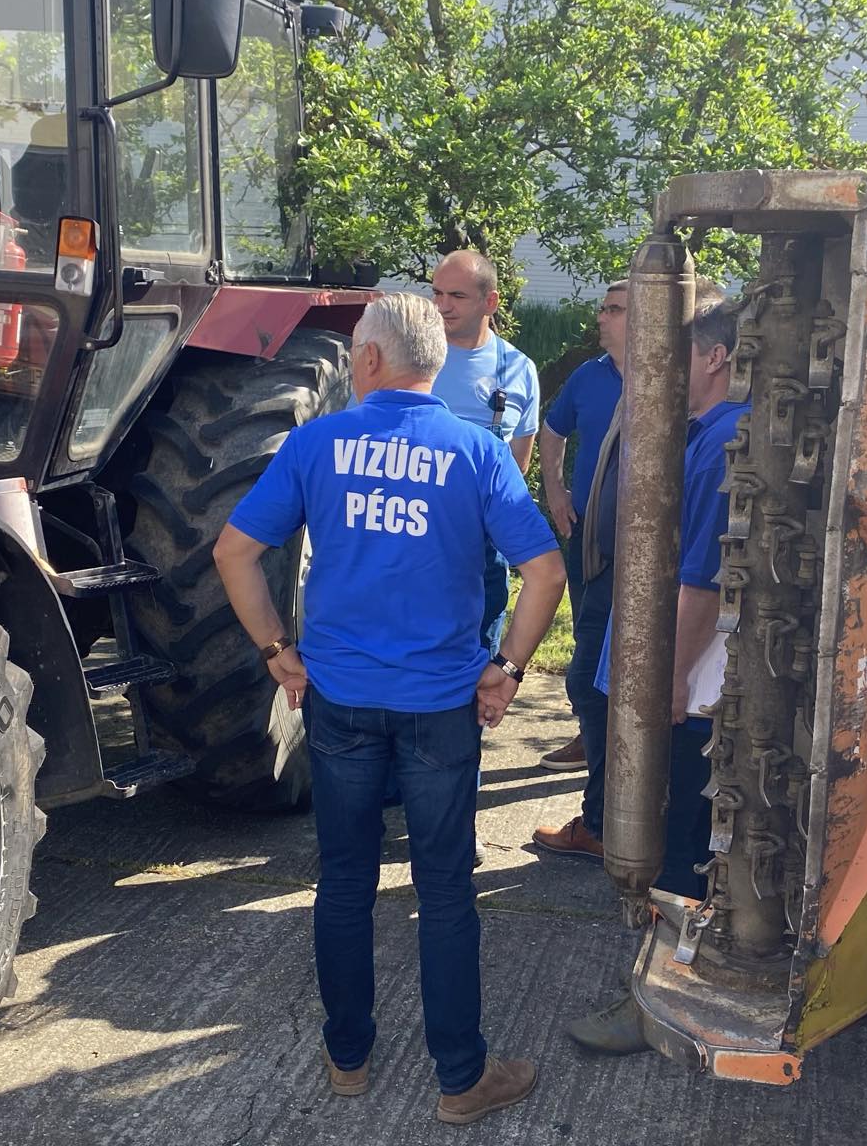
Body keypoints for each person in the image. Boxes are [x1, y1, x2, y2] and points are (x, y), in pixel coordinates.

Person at [212, 292, 566, 1125]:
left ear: (369, 359)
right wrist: (508, 669)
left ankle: (348, 1059)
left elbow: (235, 550)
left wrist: (275, 650)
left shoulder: (316, 443)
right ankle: (461, 1078)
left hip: (338, 701)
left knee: (344, 880)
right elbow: (545, 571)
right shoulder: (477, 450)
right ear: (435, 363)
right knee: (443, 890)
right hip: (441, 705)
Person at [562, 296, 748, 1053]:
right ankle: (661, 982)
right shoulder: (702, 433)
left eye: (674, 354)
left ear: (715, 357)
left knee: (677, 845)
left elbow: (701, 582)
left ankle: (663, 1004)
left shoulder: (723, 443)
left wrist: (666, 678)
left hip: (692, 689)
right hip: (676, 674)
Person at [533, 279, 630, 774]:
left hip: (649, 538)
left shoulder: (677, 376)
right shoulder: (589, 376)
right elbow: (552, 430)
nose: (601, 318)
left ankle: (625, 744)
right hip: (590, 531)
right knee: (588, 633)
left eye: (614, 310)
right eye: (603, 308)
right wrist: (555, 492)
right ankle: (589, 732)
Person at [431, 250, 542, 654]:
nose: (443, 306)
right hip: (406, 537)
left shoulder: (518, 370)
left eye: (457, 296)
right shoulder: (407, 359)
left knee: (476, 663)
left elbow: (519, 464)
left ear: (490, 301)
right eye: (437, 293)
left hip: (479, 550)